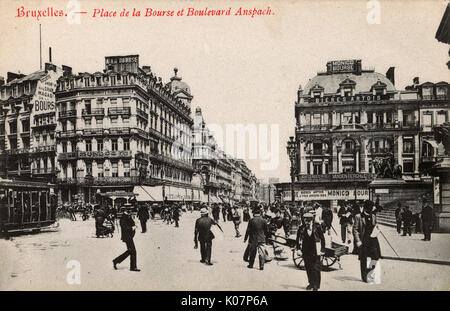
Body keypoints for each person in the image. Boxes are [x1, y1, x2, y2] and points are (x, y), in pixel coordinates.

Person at [296, 212, 325, 291]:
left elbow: (322, 238)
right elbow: (298, 239)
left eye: (308, 221)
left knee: (316, 268)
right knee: (308, 267)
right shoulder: (301, 228)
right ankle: (311, 283)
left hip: (316, 250)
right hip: (306, 250)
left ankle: (316, 285)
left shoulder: (317, 227)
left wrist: (322, 249)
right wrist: (298, 249)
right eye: (305, 220)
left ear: (312, 220)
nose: (307, 222)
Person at [353, 203, 381, 283]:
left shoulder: (373, 216)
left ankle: (369, 272)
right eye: (370, 208)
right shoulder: (358, 216)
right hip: (363, 240)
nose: (371, 209)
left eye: (371, 208)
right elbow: (355, 229)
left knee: (375, 257)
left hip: (373, 239)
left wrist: (377, 228)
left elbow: (375, 225)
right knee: (363, 259)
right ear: (365, 208)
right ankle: (364, 276)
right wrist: (358, 240)